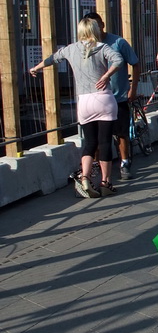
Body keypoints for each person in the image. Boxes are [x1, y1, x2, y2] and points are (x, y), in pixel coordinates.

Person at [29, 18, 123, 198]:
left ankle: (85, 177)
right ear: (95, 29)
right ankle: (106, 182)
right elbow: (118, 60)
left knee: (89, 142)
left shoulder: (71, 49)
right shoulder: (102, 47)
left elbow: (52, 59)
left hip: (84, 101)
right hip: (103, 98)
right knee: (104, 142)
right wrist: (106, 75)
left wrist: (36, 67)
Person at [83, 12, 140, 180]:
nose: (96, 29)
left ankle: (124, 162)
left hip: (118, 96)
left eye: (97, 25)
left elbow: (135, 64)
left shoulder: (118, 42)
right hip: (96, 98)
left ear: (102, 25)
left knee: (122, 132)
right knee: (97, 137)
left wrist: (133, 89)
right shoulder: (86, 45)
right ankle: (99, 167)